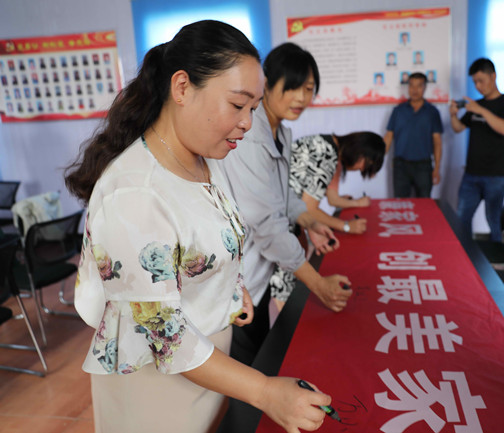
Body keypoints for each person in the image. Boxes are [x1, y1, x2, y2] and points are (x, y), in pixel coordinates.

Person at [64, 21, 331, 433]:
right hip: (157, 393)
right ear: (182, 87)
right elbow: (165, 337)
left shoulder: (204, 159)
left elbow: (207, 241)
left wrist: (228, 287)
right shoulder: (135, 194)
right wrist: (265, 391)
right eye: (237, 105)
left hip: (209, 370)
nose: (247, 123)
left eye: (254, 109)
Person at [218, 42, 353, 365]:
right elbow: (266, 223)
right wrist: (318, 284)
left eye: (308, 89)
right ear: (266, 83)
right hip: (238, 276)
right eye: (292, 87)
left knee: (259, 354)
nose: (301, 98)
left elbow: (282, 196)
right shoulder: (249, 136)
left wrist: (309, 221)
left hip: (260, 272)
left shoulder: (282, 133)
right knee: (244, 364)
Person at [268, 131, 385, 308]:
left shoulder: (329, 146)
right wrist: (347, 226)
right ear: (361, 152)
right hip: (279, 218)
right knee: (286, 279)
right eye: (365, 165)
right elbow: (310, 208)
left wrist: (355, 203)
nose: (361, 169)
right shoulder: (327, 152)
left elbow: (332, 198)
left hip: (283, 213)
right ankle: (285, 322)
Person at [450, 57, 504, 241]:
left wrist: (480, 110)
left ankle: (498, 257)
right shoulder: (476, 106)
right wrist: (453, 115)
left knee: (494, 221)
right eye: (475, 82)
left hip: (495, 176)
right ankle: (465, 254)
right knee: (462, 218)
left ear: (493, 76)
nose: (478, 86)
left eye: (481, 80)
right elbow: (458, 128)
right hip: (471, 174)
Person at [384, 72, 443, 198]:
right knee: (400, 204)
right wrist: (376, 160)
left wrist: (437, 168)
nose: (414, 90)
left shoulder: (432, 112)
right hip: (401, 166)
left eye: (419, 86)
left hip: (423, 166)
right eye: (411, 86)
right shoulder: (398, 111)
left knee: (424, 203)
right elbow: (388, 136)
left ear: (425, 87)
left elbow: (437, 141)